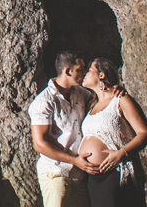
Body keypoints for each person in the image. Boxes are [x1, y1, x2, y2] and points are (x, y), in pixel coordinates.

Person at [28, 50, 99, 207]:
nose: (84, 73)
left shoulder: (81, 93)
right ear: (68, 71)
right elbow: (39, 144)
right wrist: (74, 161)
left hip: (79, 176)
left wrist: (116, 91)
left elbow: (102, 100)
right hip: (56, 173)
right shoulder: (45, 101)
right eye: (80, 69)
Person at [79, 57, 147, 207]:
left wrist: (121, 153)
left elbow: (144, 132)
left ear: (101, 75)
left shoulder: (120, 99)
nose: (85, 74)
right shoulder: (91, 105)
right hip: (94, 178)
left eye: (90, 70)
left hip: (116, 172)